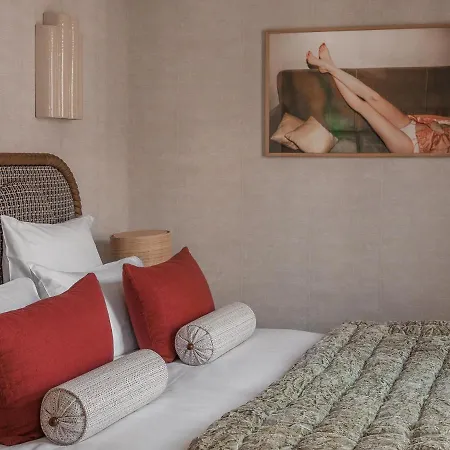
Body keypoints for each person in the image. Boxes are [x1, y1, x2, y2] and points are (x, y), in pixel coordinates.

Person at [306, 44, 450, 154]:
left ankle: (328, 66)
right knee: (374, 97)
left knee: (365, 108)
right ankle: (329, 66)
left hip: (411, 148)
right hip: (413, 125)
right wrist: (438, 126)